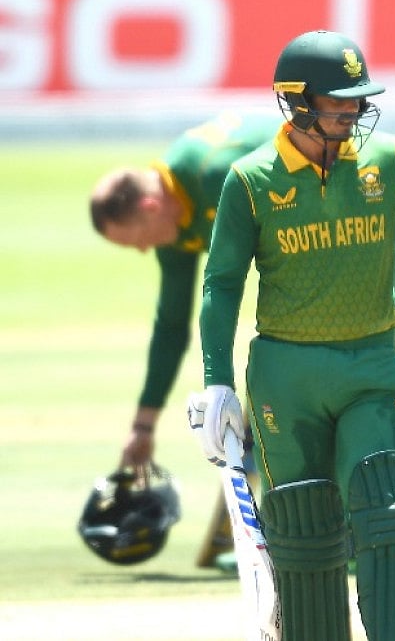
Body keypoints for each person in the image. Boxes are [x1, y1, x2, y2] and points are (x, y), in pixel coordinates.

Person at [187, 29, 395, 640]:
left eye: (357, 100)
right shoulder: (252, 179)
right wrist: (216, 383)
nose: (353, 111)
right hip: (284, 377)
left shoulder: (388, 159)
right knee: (305, 529)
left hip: (372, 363)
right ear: (296, 100)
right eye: (338, 101)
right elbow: (221, 286)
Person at [89, 111, 284, 568]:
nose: (142, 250)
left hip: (348, 224)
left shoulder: (215, 176)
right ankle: (271, 530)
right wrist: (143, 426)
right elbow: (172, 324)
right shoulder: (174, 218)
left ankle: (346, 536)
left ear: (150, 208)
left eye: (135, 240)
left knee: (298, 373)